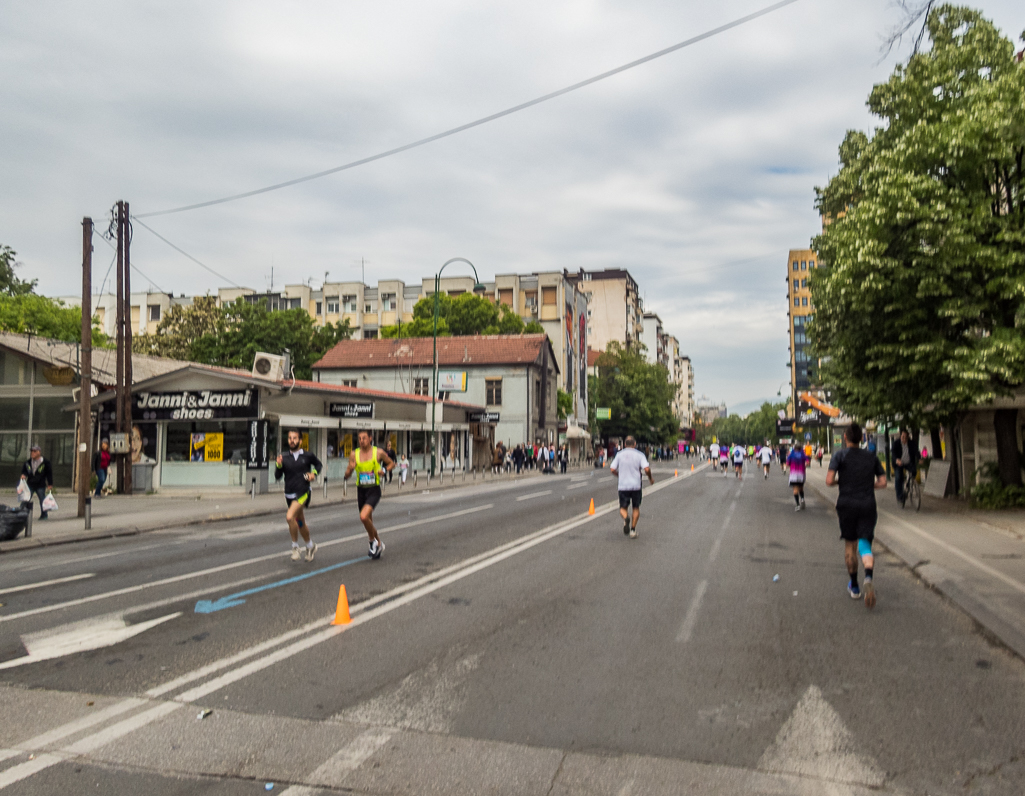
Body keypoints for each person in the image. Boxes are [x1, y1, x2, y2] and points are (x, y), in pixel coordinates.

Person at [827, 422, 887, 607]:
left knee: (850, 546)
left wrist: (841, 482)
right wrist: (869, 486)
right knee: (865, 543)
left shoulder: (839, 455)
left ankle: (854, 586)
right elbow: (883, 482)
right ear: (861, 438)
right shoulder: (871, 457)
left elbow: (829, 481)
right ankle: (868, 577)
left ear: (845, 437)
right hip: (867, 504)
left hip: (847, 504)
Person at [345, 429, 394, 559]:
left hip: (373, 489)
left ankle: (372, 542)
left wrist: (384, 469)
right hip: (361, 490)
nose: (361, 441)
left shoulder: (378, 452)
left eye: (364, 438)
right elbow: (347, 475)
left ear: (370, 438)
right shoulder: (353, 454)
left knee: (363, 516)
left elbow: (391, 463)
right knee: (368, 521)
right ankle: (378, 543)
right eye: (359, 438)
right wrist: (350, 470)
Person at [275, 429, 321, 562]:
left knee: (290, 517)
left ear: (300, 441)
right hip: (289, 493)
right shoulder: (284, 457)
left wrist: (313, 474)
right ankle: (310, 546)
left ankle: (295, 547)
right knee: (300, 522)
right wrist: (278, 465)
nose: (292, 441)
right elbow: (277, 476)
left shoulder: (307, 455)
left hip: (303, 492)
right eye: (290, 438)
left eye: (295, 438)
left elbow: (318, 465)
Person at [609, 435, 654, 539]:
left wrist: (618, 475)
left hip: (623, 486)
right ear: (635, 444)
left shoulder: (619, 455)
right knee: (636, 507)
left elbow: (612, 469)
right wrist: (650, 478)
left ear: (625, 444)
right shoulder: (640, 455)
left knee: (622, 508)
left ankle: (626, 518)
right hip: (636, 486)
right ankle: (633, 530)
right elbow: (646, 469)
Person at [20, 444, 54, 519]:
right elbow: (25, 471)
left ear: (39, 452)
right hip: (30, 484)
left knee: (42, 500)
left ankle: (44, 514)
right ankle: (20, 513)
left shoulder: (45, 462)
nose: (33, 453)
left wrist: (50, 483)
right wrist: (23, 475)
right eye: (32, 451)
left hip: (40, 484)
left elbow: (49, 473)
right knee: (25, 499)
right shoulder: (28, 462)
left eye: (35, 451)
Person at [890, 429, 920, 507]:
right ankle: (900, 496)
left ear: (908, 437)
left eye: (906, 437)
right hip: (899, 463)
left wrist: (919, 458)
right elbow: (893, 452)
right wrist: (897, 460)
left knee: (914, 472)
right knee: (899, 477)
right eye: (903, 437)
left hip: (908, 463)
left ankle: (910, 484)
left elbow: (916, 451)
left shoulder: (912, 443)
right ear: (900, 437)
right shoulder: (896, 443)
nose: (904, 439)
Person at [787, 443, 808, 510]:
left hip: (793, 474)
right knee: (801, 487)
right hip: (801, 474)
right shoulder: (803, 455)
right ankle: (802, 499)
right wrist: (804, 466)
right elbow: (807, 462)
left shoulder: (791, 455)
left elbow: (787, 464)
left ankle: (798, 505)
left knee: (795, 489)